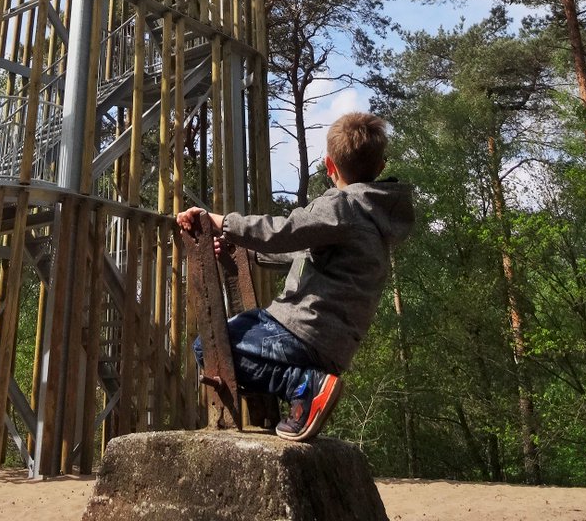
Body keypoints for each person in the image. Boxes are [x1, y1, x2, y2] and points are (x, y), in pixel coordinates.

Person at [177, 111, 414, 441]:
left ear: (330, 166)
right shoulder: (372, 217)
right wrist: (246, 252)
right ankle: (301, 389)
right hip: (330, 342)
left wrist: (223, 222)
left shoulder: (342, 206)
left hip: (301, 331)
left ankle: (302, 385)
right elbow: (303, 250)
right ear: (382, 165)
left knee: (209, 348)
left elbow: (285, 231)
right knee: (236, 333)